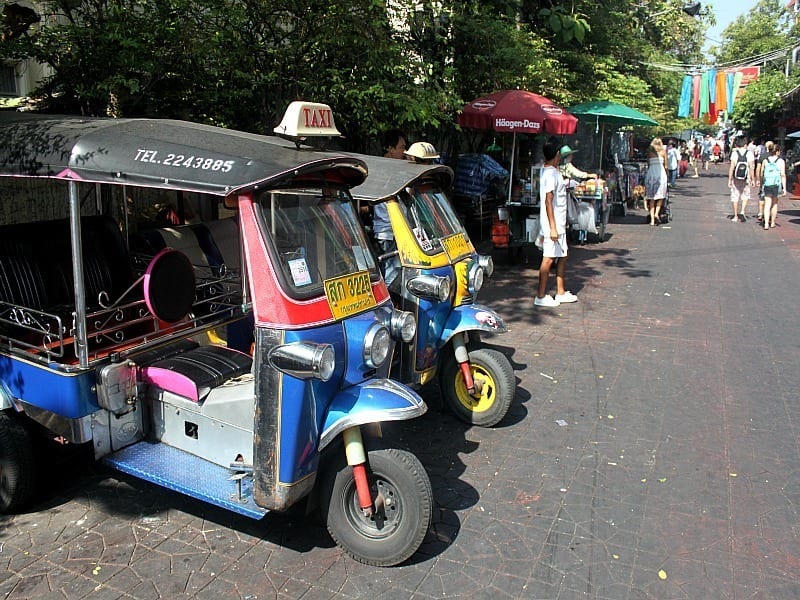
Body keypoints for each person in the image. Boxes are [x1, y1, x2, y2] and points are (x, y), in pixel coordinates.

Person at [535, 138, 577, 308]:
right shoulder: (550, 174)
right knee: (548, 258)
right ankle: (541, 295)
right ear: (557, 154)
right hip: (553, 224)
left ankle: (560, 291)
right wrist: (552, 227)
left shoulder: (550, 171)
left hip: (558, 222)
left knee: (563, 255)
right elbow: (548, 201)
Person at [372, 129, 408, 286]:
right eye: (401, 147)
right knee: (390, 274)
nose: (404, 151)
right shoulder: (383, 170)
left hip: (399, 230)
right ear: (390, 148)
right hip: (387, 230)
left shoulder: (398, 168)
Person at [758, 142, 786, 230]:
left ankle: (766, 224)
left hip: (767, 184)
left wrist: (761, 184)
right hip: (776, 184)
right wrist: (784, 188)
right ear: (777, 151)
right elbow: (783, 175)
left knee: (767, 204)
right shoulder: (781, 161)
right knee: (774, 204)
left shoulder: (765, 161)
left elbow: (762, 174)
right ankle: (772, 222)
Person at [727, 136, 754, 223]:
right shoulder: (749, 153)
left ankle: (735, 216)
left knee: (735, 196)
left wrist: (730, 179)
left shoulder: (735, 153)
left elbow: (732, 167)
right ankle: (742, 210)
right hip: (746, 178)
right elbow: (751, 167)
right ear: (745, 144)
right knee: (745, 195)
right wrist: (752, 179)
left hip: (736, 178)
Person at [644, 137, 668, 226]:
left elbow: (648, 164)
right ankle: (657, 214)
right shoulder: (663, 152)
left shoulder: (650, 153)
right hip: (661, 176)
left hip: (651, 176)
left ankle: (652, 220)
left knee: (651, 198)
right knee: (661, 197)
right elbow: (666, 166)